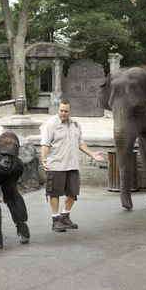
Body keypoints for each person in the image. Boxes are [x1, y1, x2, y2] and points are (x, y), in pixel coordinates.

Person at [40, 99, 104, 232]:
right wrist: (44, 159)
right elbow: (45, 144)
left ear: (70, 111)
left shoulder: (75, 124)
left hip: (72, 164)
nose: (63, 113)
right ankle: (55, 219)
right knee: (55, 193)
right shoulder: (51, 124)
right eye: (61, 110)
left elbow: (81, 143)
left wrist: (92, 154)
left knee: (72, 192)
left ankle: (65, 216)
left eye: (66, 111)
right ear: (57, 110)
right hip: (56, 164)